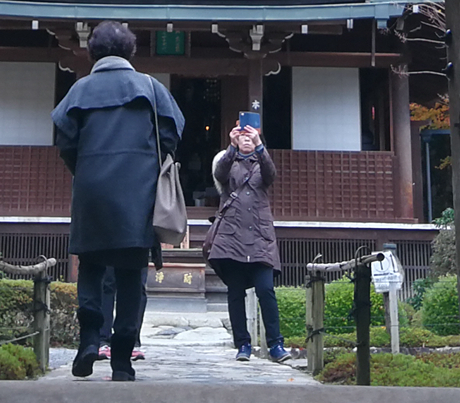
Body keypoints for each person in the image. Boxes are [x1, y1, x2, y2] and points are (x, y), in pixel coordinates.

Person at [52, 20, 183, 381]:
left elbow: (65, 140)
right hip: (138, 193)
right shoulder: (150, 87)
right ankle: (122, 361)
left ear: (93, 51)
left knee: (91, 268)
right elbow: (172, 133)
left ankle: (89, 342)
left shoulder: (80, 90)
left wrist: (85, 167)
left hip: (92, 189)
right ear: (130, 51)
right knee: (130, 275)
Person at [205, 117, 288, 363]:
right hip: (232, 238)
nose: (246, 140)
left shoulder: (262, 162)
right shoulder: (228, 162)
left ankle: (276, 344)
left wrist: (260, 147)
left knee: (266, 290)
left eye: (250, 137)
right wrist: (231, 148)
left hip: (260, 237)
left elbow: (271, 175)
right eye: (243, 137)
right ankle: (243, 344)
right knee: (235, 292)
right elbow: (219, 175)